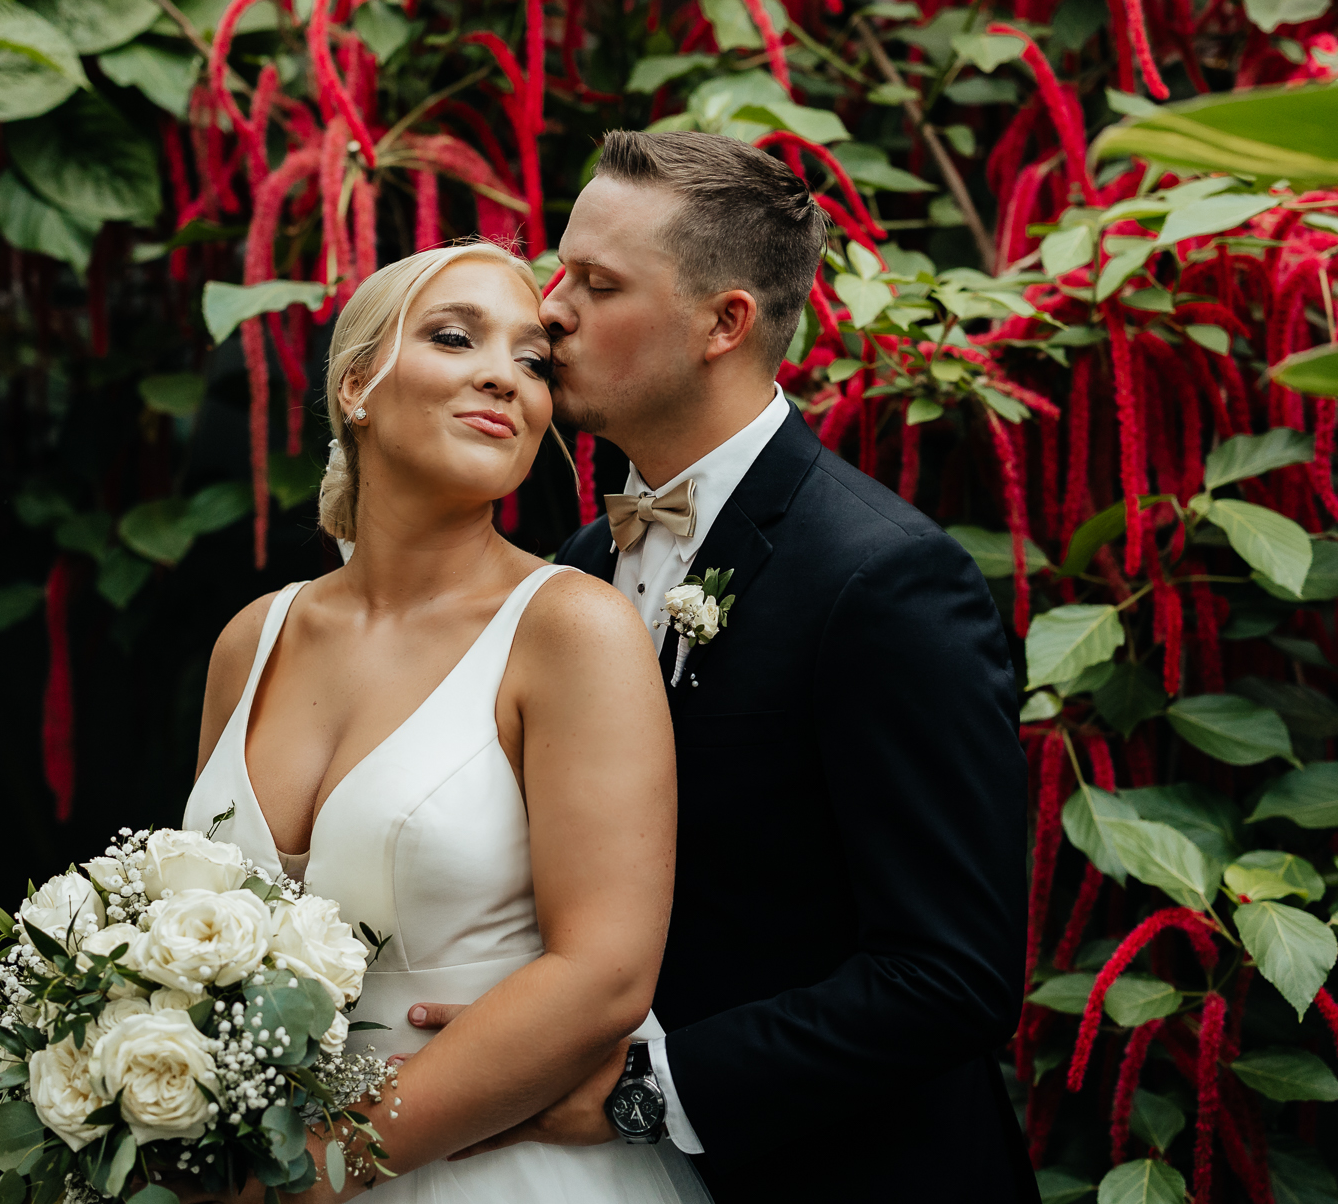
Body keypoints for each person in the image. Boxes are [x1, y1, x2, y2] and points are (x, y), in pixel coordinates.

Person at [410, 131, 1037, 1202]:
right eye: (558, 270)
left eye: (596, 284)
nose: (549, 309)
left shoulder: (881, 580)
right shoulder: (581, 565)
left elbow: (948, 978)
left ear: (723, 322)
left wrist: (638, 1094)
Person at [181, 242, 712, 1202]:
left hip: (493, 1169)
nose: (502, 376)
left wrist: (317, 1169)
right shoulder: (254, 638)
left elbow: (605, 972)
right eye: (456, 336)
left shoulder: (570, 627)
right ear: (357, 386)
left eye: (533, 361)